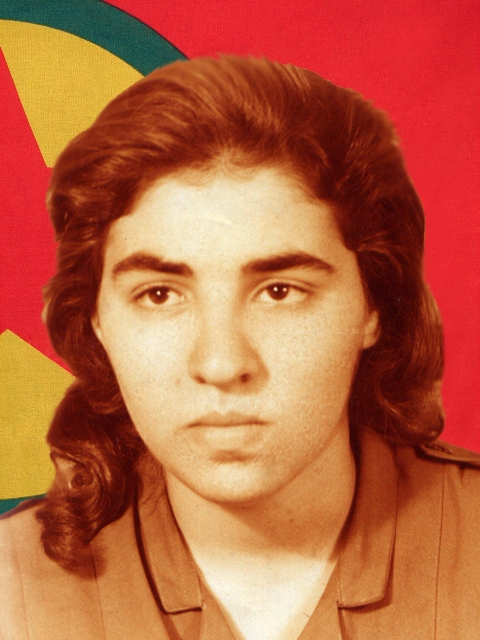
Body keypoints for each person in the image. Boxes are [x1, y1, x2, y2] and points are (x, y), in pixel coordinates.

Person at [1, 55, 479, 640]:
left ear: (373, 306)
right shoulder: (11, 584)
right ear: (97, 320)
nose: (222, 364)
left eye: (279, 292)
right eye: (159, 294)